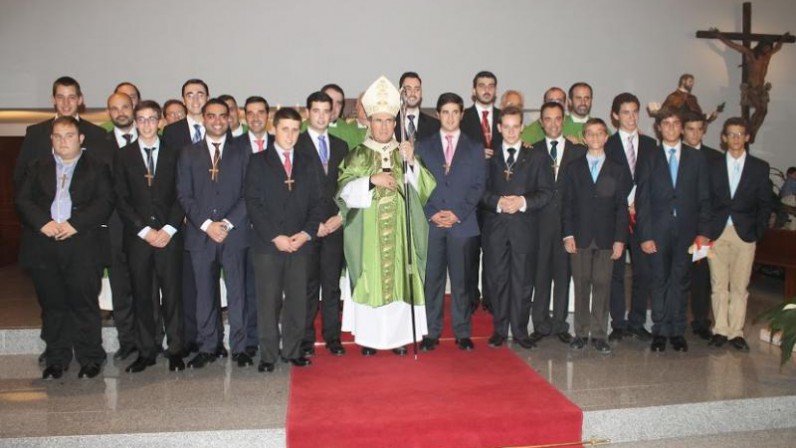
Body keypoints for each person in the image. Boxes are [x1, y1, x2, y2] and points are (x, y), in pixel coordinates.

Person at [336, 76, 436, 356]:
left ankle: (399, 338)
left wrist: (412, 161)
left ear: (396, 123)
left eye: (388, 121)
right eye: (377, 121)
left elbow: (425, 188)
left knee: (401, 278)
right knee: (372, 280)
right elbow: (343, 192)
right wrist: (371, 180)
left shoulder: (404, 152)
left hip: (401, 233)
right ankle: (369, 339)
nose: (383, 126)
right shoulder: (357, 155)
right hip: (368, 236)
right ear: (369, 122)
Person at [15, 116, 114, 379]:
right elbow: (23, 200)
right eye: (58, 136)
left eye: (69, 135)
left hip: (82, 245)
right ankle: (56, 358)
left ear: (80, 139)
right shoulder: (38, 166)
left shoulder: (97, 166)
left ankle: (90, 357)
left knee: (84, 304)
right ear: (51, 140)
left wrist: (75, 224)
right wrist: (43, 223)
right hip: (45, 245)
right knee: (52, 305)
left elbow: (105, 202)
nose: (63, 141)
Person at [246, 107, 324, 372]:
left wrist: (304, 234)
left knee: (297, 300)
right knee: (268, 302)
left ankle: (293, 350)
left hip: (300, 243)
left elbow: (317, 203)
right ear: (273, 129)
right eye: (284, 129)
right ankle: (268, 355)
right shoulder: (258, 161)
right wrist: (275, 236)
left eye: (294, 129)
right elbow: (253, 203)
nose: (290, 135)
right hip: (268, 245)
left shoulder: (307, 162)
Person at [177, 98, 251, 368]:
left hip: (234, 234)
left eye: (223, 115)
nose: (217, 120)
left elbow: (248, 194)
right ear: (203, 119)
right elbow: (184, 195)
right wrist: (208, 225)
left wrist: (227, 224)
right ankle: (209, 345)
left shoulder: (243, 152)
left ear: (230, 118)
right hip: (201, 235)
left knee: (237, 294)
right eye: (211, 116)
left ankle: (240, 347)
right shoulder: (188, 153)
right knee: (204, 294)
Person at [114, 100, 185, 373]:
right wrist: (144, 230)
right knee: (143, 296)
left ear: (160, 122)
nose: (146, 124)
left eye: (151, 119)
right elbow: (120, 198)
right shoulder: (123, 156)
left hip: (170, 236)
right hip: (139, 238)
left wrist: (167, 229)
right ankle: (147, 350)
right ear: (135, 121)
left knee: (173, 295)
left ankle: (176, 349)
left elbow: (182, 195)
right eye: (141, 119)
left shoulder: (175, 153)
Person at [636, 107, 711, 353]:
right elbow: (642, 200)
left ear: (681, 127)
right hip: (657, 230)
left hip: (688, 232)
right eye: (665, 124)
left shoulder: (697, 159)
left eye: (675, 123)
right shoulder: (649, 157)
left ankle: (677, 331)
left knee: (680, 280)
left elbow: (704, 199)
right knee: (659, 281)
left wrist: (703, 233)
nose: (670, 128)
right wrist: (645, 234)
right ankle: (660, 330)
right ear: (658, 128)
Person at [415, 92, 486, 352]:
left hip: (462, 224)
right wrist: (432, 211)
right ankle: (431, 332)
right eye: (445, 112)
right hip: (432, 224)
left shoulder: (474, 147)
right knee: (432, 280)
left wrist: (457, 213)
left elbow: (478, 185)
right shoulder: (423, 146)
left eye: (455, 112)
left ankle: (462, 331)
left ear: (462, 114)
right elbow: (416, 184)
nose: (450, 117)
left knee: (461, 281)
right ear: (438, 115)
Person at [162, 79, 225, 359]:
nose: (196, 98)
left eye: (201, 94)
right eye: (190, 94)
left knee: (213, 282)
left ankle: (214, 339)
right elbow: (170, 179)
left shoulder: (223, 129)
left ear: (208, 97)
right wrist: (184, 215)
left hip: (221, 221)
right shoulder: (172, 132)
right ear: (183, 100)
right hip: (188, 221)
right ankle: (190, 338)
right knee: (189, 283)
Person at [481, 106, 554, 349]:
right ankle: (500, 330)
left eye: (516, 127)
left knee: (523, 284)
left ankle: (521, 331)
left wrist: (522, 202)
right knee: (498, 281)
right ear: (499, 128)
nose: (511, 132)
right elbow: (479, 192)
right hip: (496, 230)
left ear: (522, 127)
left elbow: (546, 193)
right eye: (506, 127)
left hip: (524, 230)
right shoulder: (488, 159)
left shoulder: (537, 157)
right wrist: (498, 202)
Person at [562, 118, 629, 353]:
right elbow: (567, 204)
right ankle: (580, 332)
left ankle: (600, 334)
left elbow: (622, 207)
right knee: (580, 285)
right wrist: (567, 234)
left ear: (606, 137)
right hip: (579, 236)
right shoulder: (573, 167)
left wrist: (620, 240)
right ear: (584, 136)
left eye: (600, 133)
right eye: (590, 134)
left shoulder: (618, 169)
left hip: (606, 238)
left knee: (602, 284)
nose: (595, 138)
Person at [707, 117, 772, 352]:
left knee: (740, 286)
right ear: (723, 138)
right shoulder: (712, 166)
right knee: (718, 285)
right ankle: (720, 330)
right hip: (717, 233)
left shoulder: (759, 167)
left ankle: (736, 332)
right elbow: (706, 201)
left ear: (747, 137)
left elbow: (766, 203)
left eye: (739, 134)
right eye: (730, 134)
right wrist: (705, 232)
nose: (735, 138)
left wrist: (758, 230)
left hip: (745, 234)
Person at [295, 91, 349, 357]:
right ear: (307, 113)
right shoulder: (296, 144)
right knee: (307, 284)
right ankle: (305, 338)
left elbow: (348, 186)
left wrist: (340, 217)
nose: (320, 115)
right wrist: (312, 224)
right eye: (315, 110)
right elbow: (293, 191)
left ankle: (332, 337)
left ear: (332, 113)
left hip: (335, 225)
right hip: (308, 228)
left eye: (325, 111)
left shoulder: (340, 146)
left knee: (331, 285)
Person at [530, 102, 586, 344]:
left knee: (563, 276)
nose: (553, 123)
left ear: (563, 121)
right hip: (540, 224)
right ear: (541, 122)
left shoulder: (578, 152)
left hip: (566, 225)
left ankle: (561, 323)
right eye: (548, 119)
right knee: (540, 275)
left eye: (557, 118)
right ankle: (540, 323)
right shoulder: (532, 151)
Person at [604, 92, 657, 343]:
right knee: (615, 272)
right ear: (615, 116)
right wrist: (626, 203)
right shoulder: (607, 145)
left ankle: (637, 321)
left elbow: (655, 182)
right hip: (616, 217)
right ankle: (619, 323)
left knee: (643, 272)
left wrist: (641, 204)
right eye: (626, 112)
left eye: (635, 111)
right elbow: (604, 184)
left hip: (644, 218)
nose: (631, 117)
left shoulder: (650, 145)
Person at [233, 95, 274, 360]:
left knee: (271, 289)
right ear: (244, 117)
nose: (256, 117)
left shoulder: (280, 143)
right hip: (243, 229)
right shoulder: (233, 146)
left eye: (261, 112)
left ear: (268, 116)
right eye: (251, 113)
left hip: (274, 230)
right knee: (247, 287)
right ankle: (249, 341)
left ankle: (272, 340)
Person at [14, 76, 107, 189]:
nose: (66, 103)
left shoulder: (97, 134)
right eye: (60, 97)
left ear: (80, 100)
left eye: (71, 97)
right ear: (53, 100)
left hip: (84, 204)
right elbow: (20, 175)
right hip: (42, 204)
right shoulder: (35, 133)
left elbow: (104, 180)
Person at [461, 70, 501, 313]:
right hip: (469, 194)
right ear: (473, 90)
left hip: (498, 191)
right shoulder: (462, 118)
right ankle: (470, 298)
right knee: (470, 249)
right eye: (482, 85)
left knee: (494, 249)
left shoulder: (504, 118)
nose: (486, 89)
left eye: (491, 85)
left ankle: (491, 297)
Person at [102, 92, 138, 362]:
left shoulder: (154, 136)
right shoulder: (99, 143)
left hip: (147, 226)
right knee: (121, 286)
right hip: (114, 226)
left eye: (125, 106)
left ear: (134, 107)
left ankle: (151, 338)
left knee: (148, 286)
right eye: (115, 109)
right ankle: (128, 342)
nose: (121, 112)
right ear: (109, 112)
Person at [682, 112, 724, 341]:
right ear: (682, 130)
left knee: (702, 277)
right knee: (676, 276)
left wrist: (708, 230)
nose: (695, 133)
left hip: (704, 228)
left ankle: (700, 321)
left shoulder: (715, 158)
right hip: (678, 227)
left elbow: (718, 196)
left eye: (699, 129)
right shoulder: (673, 154)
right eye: (690, 128)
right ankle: (674, 321)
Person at [710, 28, 792, 141]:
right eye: (767, 45)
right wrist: (719, 36)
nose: (768, 48)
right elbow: (733, 45)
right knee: (759, 109)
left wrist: (783, 39)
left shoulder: (767, 55)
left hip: (761, 89)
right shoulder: (751, 54)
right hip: (751, 88)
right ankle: (749, 130)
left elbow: (778, 47)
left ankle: (753, 132)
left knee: (763, 111)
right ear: (761, 45)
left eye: (770, 46)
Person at [394, 72, 440, 142]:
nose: (413, 93)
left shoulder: (435, 125)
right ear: (400, 92)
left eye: (417, 89)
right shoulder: (390, 123)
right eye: (408, 89)